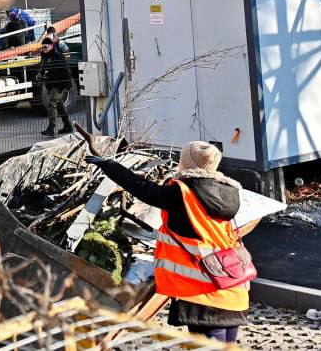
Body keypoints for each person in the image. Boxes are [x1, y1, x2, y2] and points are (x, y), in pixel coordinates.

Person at [81, 136, 250, 343]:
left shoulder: (182, 193)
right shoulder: (229, 192)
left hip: (203, 294)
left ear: (186, 162)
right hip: (233, 288)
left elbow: (141, 188)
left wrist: (109, 165)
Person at [38, 36, 73, 136]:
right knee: (59, 104)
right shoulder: (45, 55)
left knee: (51, 103)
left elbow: (66, 71)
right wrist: (40, 74)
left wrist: (67, 84)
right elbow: (43, 66)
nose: (43, 49)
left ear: (51, 46)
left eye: (46, 47)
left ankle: (51, 128)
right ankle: (68, 126)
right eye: (42, 47)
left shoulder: (57, 55)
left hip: (59, 84)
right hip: (50, 83)